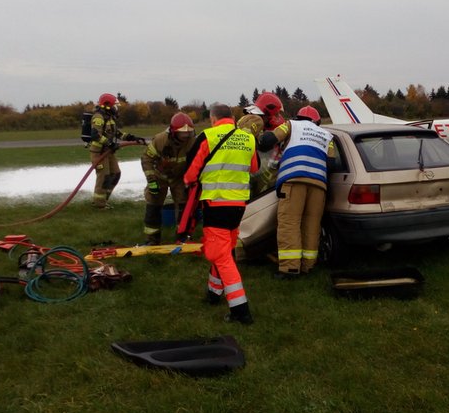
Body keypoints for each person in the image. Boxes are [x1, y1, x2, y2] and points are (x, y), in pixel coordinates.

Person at [183, 103, 259, 324]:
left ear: (213, 118)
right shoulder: (248, 138)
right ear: (232, 117)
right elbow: (254, 168)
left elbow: (190, 171)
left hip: (216, 203)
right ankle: (213, 293)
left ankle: (240, 310)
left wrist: (190, 183)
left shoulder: (209, 135)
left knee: (222, 256)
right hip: (239, 205)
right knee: (223, 248)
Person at [258, 105, 335, 279]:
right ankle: (308, 265)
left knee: (289, 223)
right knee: (312, 224)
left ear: (299, 117)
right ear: (317, 121)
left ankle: (290, 268)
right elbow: (332, 163)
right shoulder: (327, 135)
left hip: (294, 180)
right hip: (319, 184)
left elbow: (269, 140)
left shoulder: (290, 125)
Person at [140, 112, 196, 245]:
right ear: (173, 131)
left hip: (180, 178)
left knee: (184, 207)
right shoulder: (160, 140)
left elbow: (198, 160)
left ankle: (183, 237)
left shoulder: (193, 141)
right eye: (183, 132)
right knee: (153, 206)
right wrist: (151, 180)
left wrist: (192, 180)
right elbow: (146, 158)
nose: (186, 135)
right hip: (160, 177)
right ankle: (152, 239)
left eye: (188, 132)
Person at [87, 93, 145, 209]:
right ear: (106, 105)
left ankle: (104, 199)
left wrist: (132, 138)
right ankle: (99, 204)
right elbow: (95, 135)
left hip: (108, 151)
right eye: (114, 106)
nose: (115, 108)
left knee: (115, 174)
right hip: (99, 152)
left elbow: (117, 133)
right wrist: (110, 143)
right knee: (104, 177)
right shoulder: (98, 117)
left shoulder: (109, 118)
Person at [243, 92, 286, 195]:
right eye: (276, 114)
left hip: (262, 183)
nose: (278, 117)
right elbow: (262, 144)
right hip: (256, 181)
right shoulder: (255, 123)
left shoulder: (251, 123)